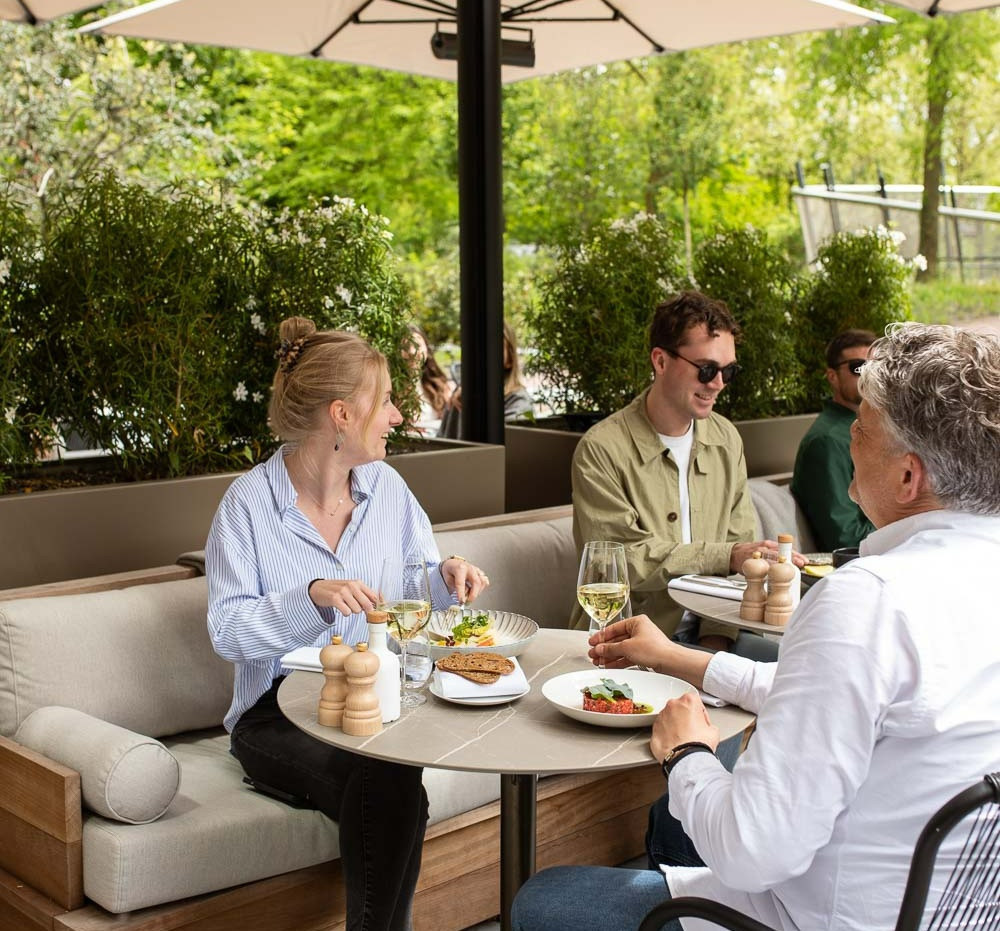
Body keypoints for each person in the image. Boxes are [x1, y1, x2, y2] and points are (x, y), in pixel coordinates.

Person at [512, 322, 1000, 931]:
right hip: (950, 914)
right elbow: (837, 698)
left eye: (864, 428)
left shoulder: (870, 602)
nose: (849, 436)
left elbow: (753, 851)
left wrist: (686, 753)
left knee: (544, 900)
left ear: (909, 476)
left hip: (808, 917)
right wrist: (677, 657)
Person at [205, 316, 490, 931]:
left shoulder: (388, 488)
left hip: (375, 700)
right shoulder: (247, 506)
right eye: (385, 401)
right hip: (274, 715)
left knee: (392, 777)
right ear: (341, 414)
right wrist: (311, 596)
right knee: (394, 783)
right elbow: (226, 631)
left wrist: (447, 576)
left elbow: (418, 589)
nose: (396, 416)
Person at [571, 290, 803, 651]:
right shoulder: (602, 449)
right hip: (627, 642)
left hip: (717, 631)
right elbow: (622, 563)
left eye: (729, 371)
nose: (718, 383)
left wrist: (716, 644)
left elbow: (737, 557)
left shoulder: (726, 439)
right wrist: (726, 556)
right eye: (707, 369)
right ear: (661, 361)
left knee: (803, 667)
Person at [791, 328, 876, 551]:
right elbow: (846, 538)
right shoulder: (827, 442)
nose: (869, 375)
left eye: (877, 367)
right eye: (859, 367)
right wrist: (906, 530)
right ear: (832, 377)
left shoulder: (871, 429)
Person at [439, 319, 534, 437]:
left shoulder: (518, 402)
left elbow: (508, 448)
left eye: (493, 346)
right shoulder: (460, 396)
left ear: (509, 359)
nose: (481, 352)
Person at [404, 324, 454, 436]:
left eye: (417, 345)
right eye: (406, 346)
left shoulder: (441, 385)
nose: (412, 351)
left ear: (426, 349)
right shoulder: (391, 387)